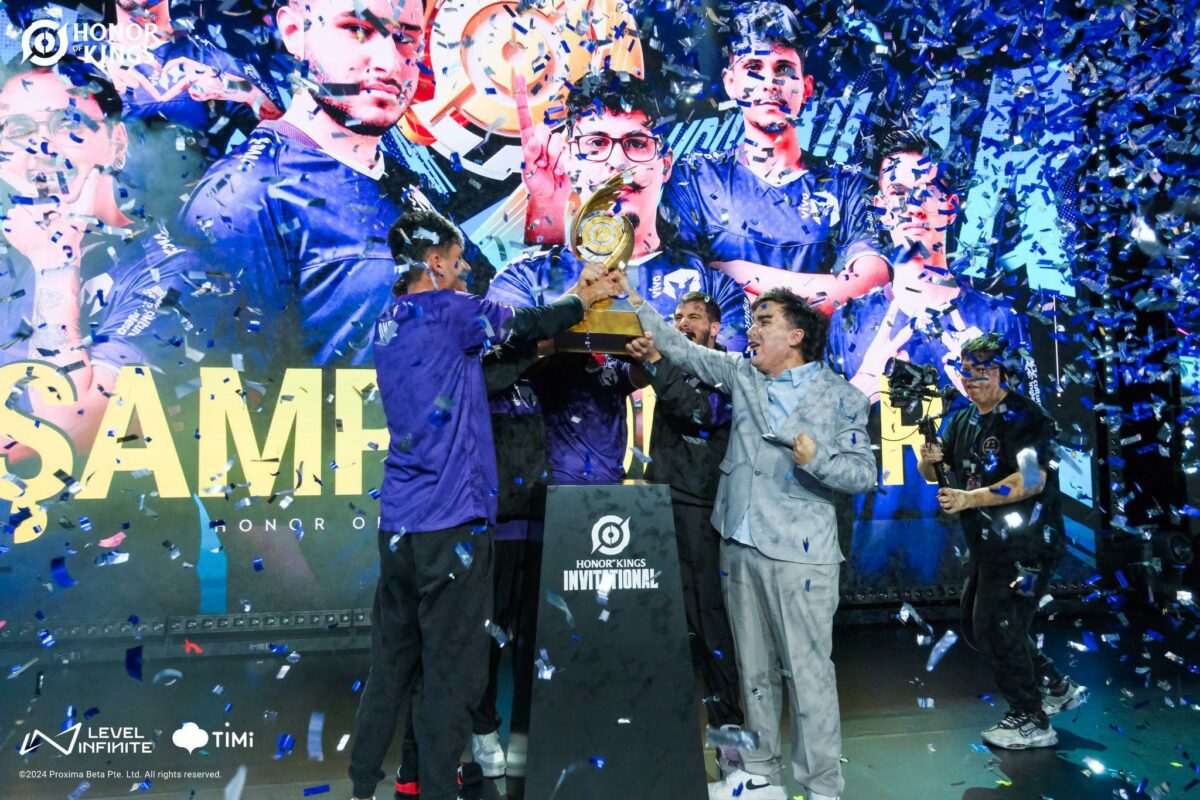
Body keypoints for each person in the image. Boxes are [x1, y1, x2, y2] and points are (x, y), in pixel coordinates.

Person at [348, 210, 623, 800]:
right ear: (434, 263)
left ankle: (364, 785)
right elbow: (529, 322)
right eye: (457, 259)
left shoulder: (389, 321)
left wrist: (539, 344)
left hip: (399, 524)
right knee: (454, 673)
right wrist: (583, 296)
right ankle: (438, 791)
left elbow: (491, 361)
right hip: (452, 525)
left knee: (393, 664)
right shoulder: (452, 310)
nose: (467, 269)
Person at [623, 286, 875, 800]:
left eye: (764, 321)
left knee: (807, 674)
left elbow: (862, 473)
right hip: (738, 543)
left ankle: (822, 786)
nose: (752, 331)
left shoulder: (842, 397)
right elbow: (679, 347)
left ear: (796, 335)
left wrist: (817, 459)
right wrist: (629, 295)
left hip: (801, 555)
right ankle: (760, 772)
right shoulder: (744, 375)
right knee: (752, 670)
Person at [175, 0, 443, 366]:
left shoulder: (394, 176)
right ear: (294, 32)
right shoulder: (240, 200)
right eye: (356, 29)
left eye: (404, 38)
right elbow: (209, 387)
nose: (390, 63)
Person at [826, 129, 1037, 585]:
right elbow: (821, 444)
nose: (913, 205)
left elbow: (1034, 458)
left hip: (978, 558)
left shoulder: (997, 319)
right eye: (898, 191)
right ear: (879, 206)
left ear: (951, 205)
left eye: (927, 190)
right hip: (866, 560)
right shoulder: (849, 321)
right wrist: (862, 386)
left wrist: (991, 400)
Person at [663, 1, 889, 312]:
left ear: (806, 88)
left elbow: (869, 284)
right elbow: (685, 289)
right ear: (731, 82)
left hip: (817, 346)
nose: (769, 83)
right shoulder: (695, 179)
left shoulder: (845, 185)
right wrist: (824, 289)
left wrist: (740, 272)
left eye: (783, 69)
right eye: (753, 68)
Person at [918, 334, 1086, 750]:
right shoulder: (963, 419)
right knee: (980, 627)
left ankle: (1031, 718)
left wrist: (970, 498)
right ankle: (1053, 684)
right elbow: (932, 473)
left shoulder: (1026, 417)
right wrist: (928, 460)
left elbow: (1031, 481)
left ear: (1005, 373)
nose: (970, 378)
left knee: (997, 627)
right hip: (988, 547)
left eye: (982, 370)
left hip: (1027, 546)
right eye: (966, 369)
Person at [0, 58, 137, 461]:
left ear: (116, 143)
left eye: (67, 124)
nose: (42, 148)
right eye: (18, 130)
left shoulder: (171, 267)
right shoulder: (11, 249)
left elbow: (64, 428)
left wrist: (54, 263)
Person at [101, 0, 283, 222]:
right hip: (108, 225)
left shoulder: (213, 53)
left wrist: (243, 92)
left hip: (202, 221)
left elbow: (289, 142)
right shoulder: (77, 47)